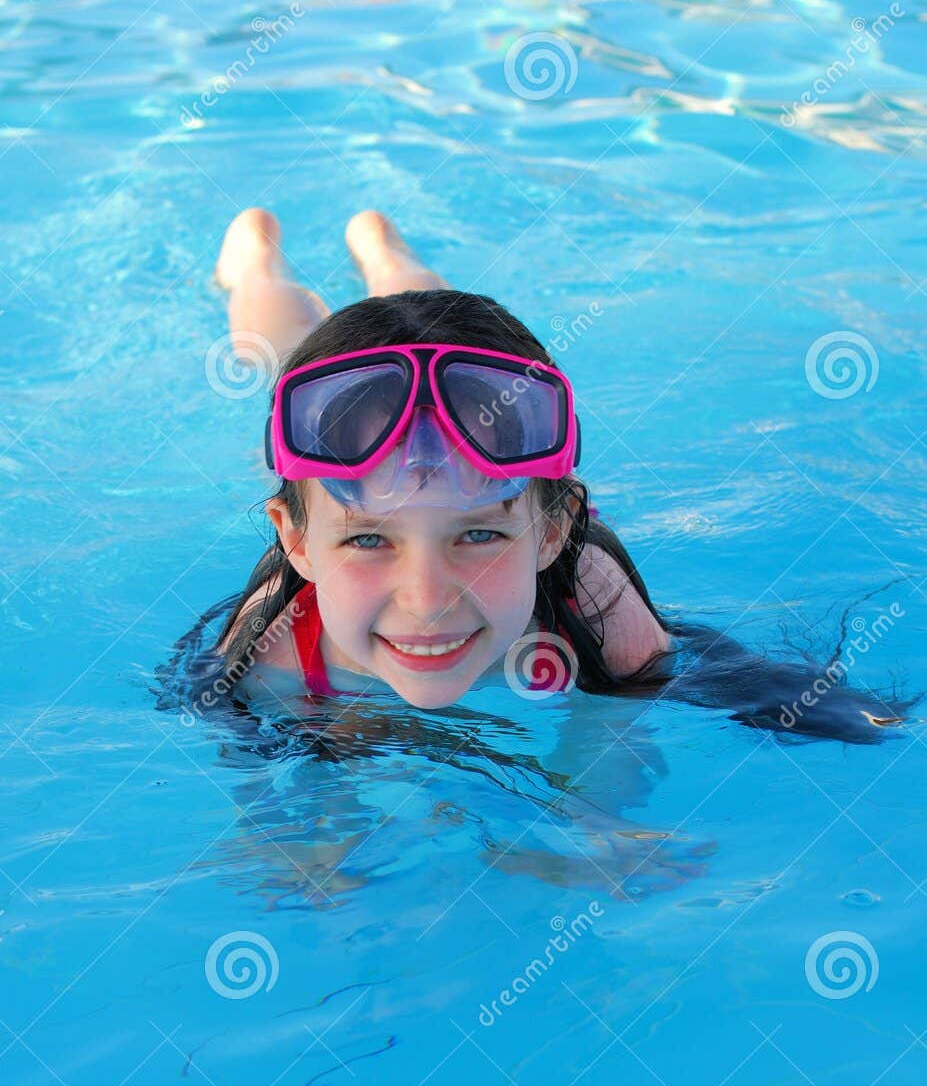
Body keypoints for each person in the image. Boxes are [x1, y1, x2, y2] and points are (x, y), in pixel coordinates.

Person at [167, 208, 904, 743]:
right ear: (296, 542)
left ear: (551, 531)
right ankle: (254, 259)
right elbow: (266, 807)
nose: (427, 598)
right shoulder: (267, 650)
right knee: (279, 343)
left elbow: (612, 747)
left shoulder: (600, 611)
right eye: (367, 541)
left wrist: (595, 828)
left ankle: (381, 249)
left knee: (426, 324)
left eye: (479, 531)